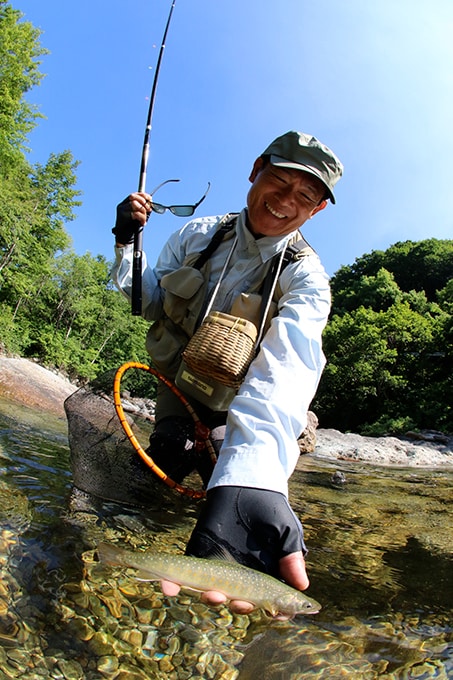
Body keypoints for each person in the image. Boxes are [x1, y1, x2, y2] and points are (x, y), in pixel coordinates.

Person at [111, 130, 343, 615]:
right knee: (163, 462)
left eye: (304, 196)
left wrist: (252, 480)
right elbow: (146, 302)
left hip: (243, 397)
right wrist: (126, 242)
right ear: (255, 169)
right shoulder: (197, 235)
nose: (285, 202)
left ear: (317, 210)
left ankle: (240, 469)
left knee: (228, 467)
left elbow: (289, 364)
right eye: (278, 182)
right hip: (179, 382)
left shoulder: (307, 278)